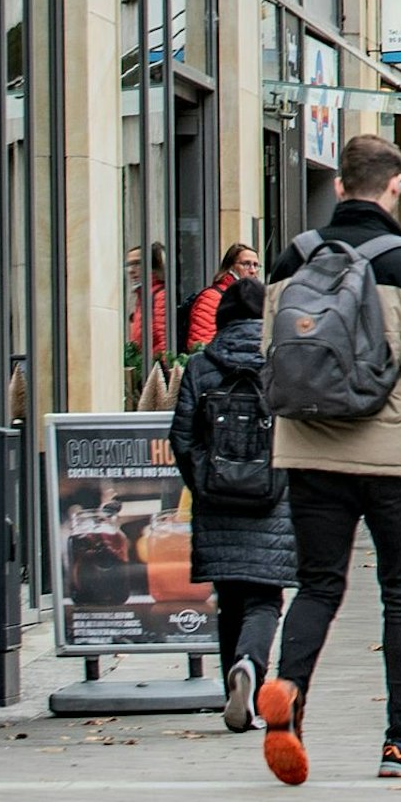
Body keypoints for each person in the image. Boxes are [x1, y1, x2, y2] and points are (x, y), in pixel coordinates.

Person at [257, 134, 401, 783]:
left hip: (308, 449)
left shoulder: (293, 258)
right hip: (392, 457)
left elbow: (271, 350)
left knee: (318, 584)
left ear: (340, 185)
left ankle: (289, 691)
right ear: (395, 186)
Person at [168, 279, 296, 736]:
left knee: (230, 600)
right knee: (265, 598)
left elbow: (182, 437)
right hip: (272, 501)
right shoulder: (281, 361)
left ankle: (233, 693)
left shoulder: (200, 365)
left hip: (217, 499)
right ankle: (249, 665)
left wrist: (203, 482)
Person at [186, 243, 262, 349]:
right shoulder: (211, 298)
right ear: (231, 267)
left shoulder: (253, 298)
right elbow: (200, 345)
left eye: (256, 265)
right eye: (246, 264)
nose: (253, 270)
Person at [127, 243, 169, 357]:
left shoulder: (160, 295)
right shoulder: (142, 296)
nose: (131, 270)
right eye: (129, 265)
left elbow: (165, 342)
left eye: (137, 263)